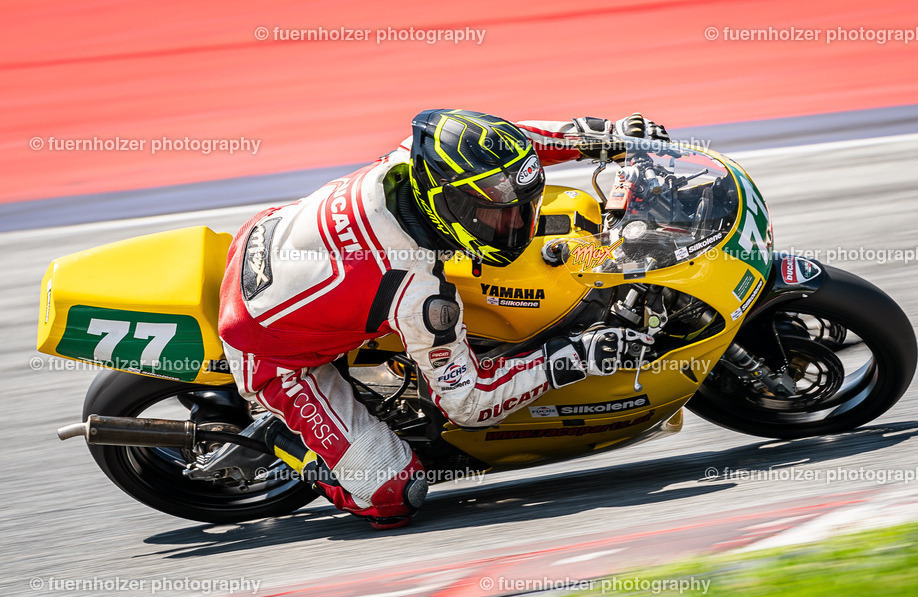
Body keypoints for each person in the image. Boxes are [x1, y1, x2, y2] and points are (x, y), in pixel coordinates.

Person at [218, 109, 667, 529]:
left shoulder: (414, 161)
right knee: (395, 496)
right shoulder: (415, 290)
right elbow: (469, 404)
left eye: (519, 209)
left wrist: (599, 138)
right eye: (495, 215)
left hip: (267, 237)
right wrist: (575, 357)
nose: (516, 224)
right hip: (270, 352)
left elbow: (513, 147)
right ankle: (285, 439)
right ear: (446, 202)